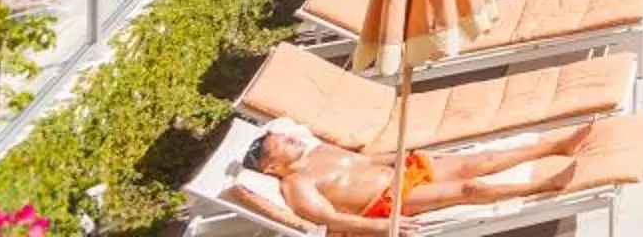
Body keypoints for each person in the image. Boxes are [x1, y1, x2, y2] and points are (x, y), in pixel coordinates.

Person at [245, 119, 596, 232]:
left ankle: (556, 146)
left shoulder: (318, 150)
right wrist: (384, 227)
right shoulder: (296, 185)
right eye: (284, 144)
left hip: (401, 171)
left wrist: (402, 155)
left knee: (482, 158)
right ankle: (543, 185)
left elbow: (365, 160)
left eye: (288, 136)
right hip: (386, 202)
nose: (294, 139)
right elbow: (330, 219)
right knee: (468, 188)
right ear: (272, 167)